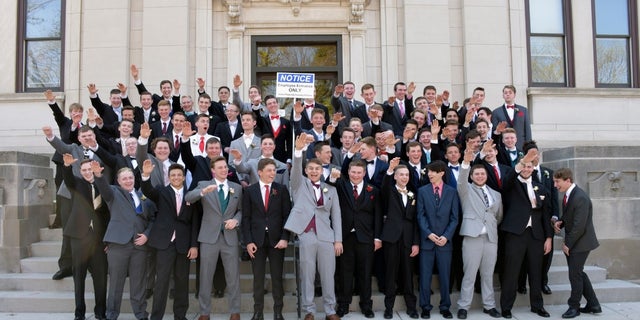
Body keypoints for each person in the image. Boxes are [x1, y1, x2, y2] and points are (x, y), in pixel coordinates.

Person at [284, 133, 343, 320]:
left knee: (328, 276)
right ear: (306, 171)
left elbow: (337, 216)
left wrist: (338, 240)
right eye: (310, 169)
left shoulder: (331, 189)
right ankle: (309, 310)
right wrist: (298, 152)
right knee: (307, 274)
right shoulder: (299, 184)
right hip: (306, 234)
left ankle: (330, 310)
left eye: (317, 169)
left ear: (321, 171)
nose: (314, 171)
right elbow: (295, 171)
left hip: (326, 235)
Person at [94, 161, 154, 320]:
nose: (128, 181)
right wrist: (98, 176)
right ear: (119, 181)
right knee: (115, 283)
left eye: (130, 178)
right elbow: (104, 189)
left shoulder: (144, 196)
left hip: (139, 246)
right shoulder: (114, 192)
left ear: (134, 179)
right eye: (124, 179)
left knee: (139, 284)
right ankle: (112, 315)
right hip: (118, 244)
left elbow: (153, 220)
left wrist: (147, 235)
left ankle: (141, 314)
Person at [186, 156, 243, 320]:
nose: (224, 170)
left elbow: (242, 211)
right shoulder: (204, 185)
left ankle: (235, 312)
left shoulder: (237, 188)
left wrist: (236, 220)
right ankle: (204, 312)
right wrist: (202, 192)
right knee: (205, 276)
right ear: (213, 170)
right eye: (220, 168)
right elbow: (189, 198)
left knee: (233, 277)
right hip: (208, 237)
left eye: (225, 167)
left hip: (230, 238)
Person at [141, 161, 199, 320]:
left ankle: (180, 316)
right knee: (162, 282)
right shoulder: (161, 191)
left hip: (183, 244)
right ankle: (156, 316)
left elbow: (194, 222)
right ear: (169, 177)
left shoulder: (190, 195)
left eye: (179, 175)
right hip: (164, 243)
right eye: (173, 175)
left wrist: (194, 245)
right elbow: (148, 191)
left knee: (182, 281)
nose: (176, 177)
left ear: (183, 177)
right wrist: (146, 176)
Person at [499, 149, 553, 319]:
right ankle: (506, 307)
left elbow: (545, 215)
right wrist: (520, 164)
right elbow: (506, 181)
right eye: (524, 166)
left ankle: (537, 306)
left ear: (533, 168)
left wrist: (549, 238)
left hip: (536, 235)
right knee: (512, 272)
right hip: (516, 234)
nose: (526, 169)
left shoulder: (541, 187)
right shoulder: (512, 184)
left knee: (536, 273)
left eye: (529, 166)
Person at [328, 160, 382, 318]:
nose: (356, 175)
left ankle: (366, 305)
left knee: (365, 273)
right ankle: (343, 305)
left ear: (364, 173)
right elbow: (327, 187)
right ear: (348, 172)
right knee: (345, 272)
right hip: (344, 237)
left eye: (359, 172)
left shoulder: (373, 190)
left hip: (366, 238)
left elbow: (377, 215)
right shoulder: (341, 186)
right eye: (353, 172)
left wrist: (377, 238)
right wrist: (332, 178)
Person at [58, 153, 108, 320]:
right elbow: (68, 178)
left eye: (90, 170)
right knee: (78, 278)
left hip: (98, 240)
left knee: (100, 278)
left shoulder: (103, 186)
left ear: (95, 170)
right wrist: (66, 166)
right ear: (81, 171)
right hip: (79, 238)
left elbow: (107, 214)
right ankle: (79, 314)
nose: (87, 172)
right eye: (84, 170)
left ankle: (100, 312)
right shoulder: (77, 184)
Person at [455, 149, 503, 319]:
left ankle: (489, 305)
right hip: (472, 237)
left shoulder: (496, 194)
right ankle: (463, 306)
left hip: (490, 238)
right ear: (472, 176)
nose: (480, 176)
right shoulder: (466, 189)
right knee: (469, 274)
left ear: (486, 175)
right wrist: (466, 163)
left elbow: (498, 216)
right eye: (477, 174)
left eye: (483, 174)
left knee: (488, 274)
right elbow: (461, 179)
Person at [241, 158, 292, 320]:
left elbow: (287, 216)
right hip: (257, 241)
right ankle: (258, 312)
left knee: (277, 277)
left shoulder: (282, 189)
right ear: (260, 172)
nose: (272, 173)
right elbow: (246, 218)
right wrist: (248, 242)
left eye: (274, 170)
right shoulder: (250, 191)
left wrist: (285, 238)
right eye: (269, 170)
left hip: (277, 241)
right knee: (258, 278)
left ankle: (278, 312)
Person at [553, 168, 601, 319]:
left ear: (567, 180)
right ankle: (594, 304)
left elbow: (579, 226)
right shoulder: (570, 194)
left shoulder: (580, 197)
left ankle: (574, 307)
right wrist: (561, 221)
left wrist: (568, 244)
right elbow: (570, 215)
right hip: (577, 241)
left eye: (557, 182)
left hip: (581, 243)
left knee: (575, 275)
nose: (555, 185)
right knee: (578, 273)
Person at [44, 90, 82, 281]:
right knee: (68, 227)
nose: (77, 116)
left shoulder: (87, 131)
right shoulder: (66, 124)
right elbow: (58, 116)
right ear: (71, 113)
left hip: (85, 190)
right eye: (74, 113)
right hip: (67, 180)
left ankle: (85, 264)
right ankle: (65, 265)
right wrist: (52, 102)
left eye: (79, 113)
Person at [416, 160, 459, 319]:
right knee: (425, 275)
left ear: (441, 172)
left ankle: (445, 306)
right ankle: (425, 306)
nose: (430, 175)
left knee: (445, 276)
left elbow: (455, 218)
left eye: (432, 172)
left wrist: (446, 236)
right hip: (427, 241)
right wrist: (428, 234)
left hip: (444, 242)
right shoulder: (422, 191)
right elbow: (420, 215)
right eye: (428, 172)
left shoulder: (452, 192)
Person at [380, 158, 420, 319]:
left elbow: (416, 220)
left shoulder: (412, 194)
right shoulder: (389, 191)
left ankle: (411, 308)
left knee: (408, 274)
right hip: (391, 239)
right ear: (395, 177)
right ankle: (388, 308)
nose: (404, 177)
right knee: (390, 274)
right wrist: (390, 170)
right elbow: (384, 187)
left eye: (406, 175)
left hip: (408, 240)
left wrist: (416, 242)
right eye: (401, 175)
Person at [253, 95, 293, 164]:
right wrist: (256, 105)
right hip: (266, 157)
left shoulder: (286, 122)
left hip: (282, 158)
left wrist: (289, 159)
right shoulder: (263, 121)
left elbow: (289, 142)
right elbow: (256, 115)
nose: (272, 105)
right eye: (269, 103)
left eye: (274, 102)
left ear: (278, 104)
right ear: (266, 107)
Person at [491, 85, 531, 150]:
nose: (508, 94)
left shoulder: (523, 110)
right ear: (503, 95)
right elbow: (494, 132)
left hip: (521, 146)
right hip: (503, 148)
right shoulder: (496, 112)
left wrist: (529, 147)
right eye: (505, 93)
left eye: (510, 92)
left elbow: (527, 130)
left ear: (514, 95)